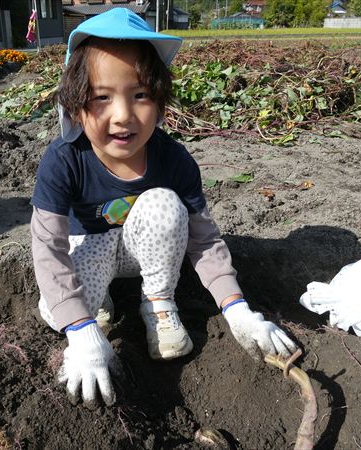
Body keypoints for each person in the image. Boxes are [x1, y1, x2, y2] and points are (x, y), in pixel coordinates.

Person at [30, 8, 298, 409]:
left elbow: (203, 240)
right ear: (75, 106)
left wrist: (238, 309)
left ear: (159, 102)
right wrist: (79, 327)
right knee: (56, 314)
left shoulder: (173, 159)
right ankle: (96, 306)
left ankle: (157, 303)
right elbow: (47, 246)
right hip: (90, 248)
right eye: (101, 97)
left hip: (148, 252)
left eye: (140, 95)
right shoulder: (64, 160)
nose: (123, 116)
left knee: (165, 204)